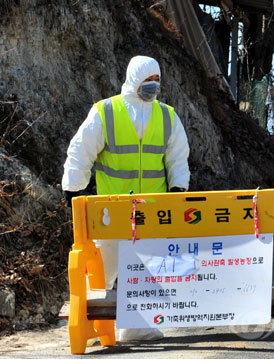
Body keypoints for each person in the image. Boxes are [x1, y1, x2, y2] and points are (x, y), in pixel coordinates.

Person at [61, 55, 190, 341]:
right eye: (148, 80)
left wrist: (178, 188)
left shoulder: (167, 115)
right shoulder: (106, 111)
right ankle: (92, 324)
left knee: (146, 272)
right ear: (134, 79)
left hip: (152, 210)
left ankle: (135, 328)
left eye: (157, 80)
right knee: (102, 269)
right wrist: (73, 189)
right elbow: (81, 151)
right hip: (112, 208)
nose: (153, 85)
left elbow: (178, 158)